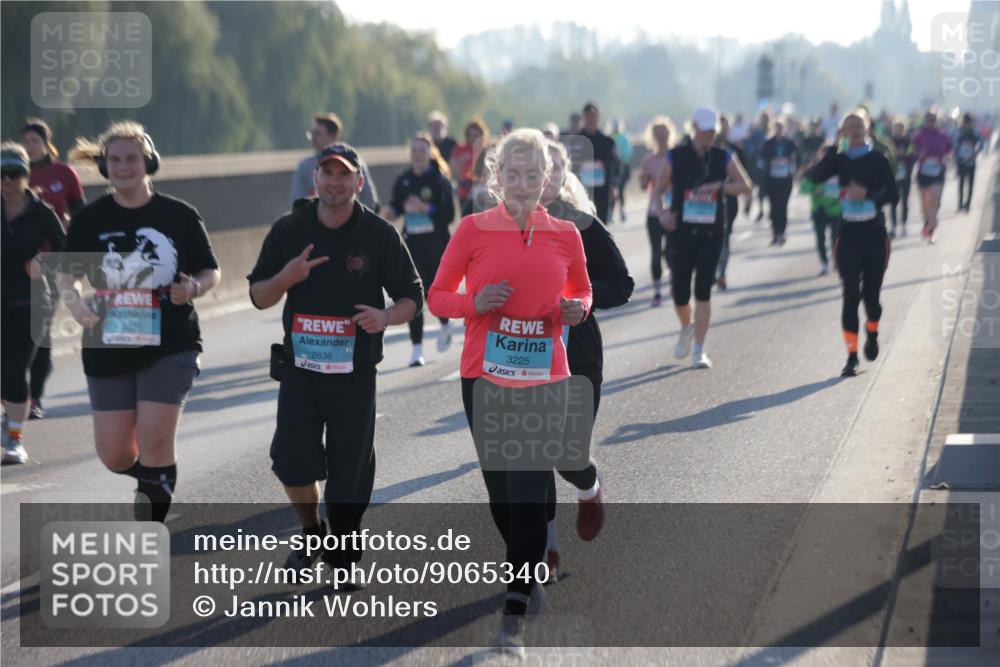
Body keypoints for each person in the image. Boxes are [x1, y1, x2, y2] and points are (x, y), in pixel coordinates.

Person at [428, 129, 595, 656]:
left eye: (532, 175)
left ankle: (514, 613)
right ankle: (525, 568)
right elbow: (438, 296)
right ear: (497, 179)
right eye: (513, 175)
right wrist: (475, 302)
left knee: (526, 496)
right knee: (502, 498)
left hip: (543, 380)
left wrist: (577, 309)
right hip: (483, 378)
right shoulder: (473, 230)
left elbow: (582, 291)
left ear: (547, 180)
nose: (522, 185)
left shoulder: (566, 235)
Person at [248, 143, 422, 575]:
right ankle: (311, 533)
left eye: (344, 175)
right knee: (291, 462)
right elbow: (257, 295)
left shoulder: (378, 234)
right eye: (327, 174)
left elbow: (412, 298)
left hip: (355, 374)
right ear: (315, 180)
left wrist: (384, 316)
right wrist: (287, 277)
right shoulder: (290, 228)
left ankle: (345, 557)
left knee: (349, 472)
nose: (335, 182)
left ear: (359, 182)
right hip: (300, 371)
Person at [57, 122, 221, 521]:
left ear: (148, 161)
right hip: (108, 341)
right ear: (104, 166)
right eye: (115, 160)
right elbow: (66, 275)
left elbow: (209, 271)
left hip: (171, 341)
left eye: (132, 158)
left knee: (155, 438)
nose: (124, 166)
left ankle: (149, 523)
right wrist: (75, 305)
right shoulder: (90, 220)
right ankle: (156, 478)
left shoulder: (179, 215)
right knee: (114, 455)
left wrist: (193, 290)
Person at [541, 139, 633, 583]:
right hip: (521, 358)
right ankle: (547, 550)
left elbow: (622, 282)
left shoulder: (583, 226)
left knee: (566, 455)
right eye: (534, 166)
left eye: (553, 167)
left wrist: (584, 299)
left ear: (563, 174)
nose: (543, 175)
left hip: (577, 356)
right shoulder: (500, 227)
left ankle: (588, 485)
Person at [653, 107, 752, 369]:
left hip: (711, 233)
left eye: (712, 131)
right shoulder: (674, 157)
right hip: (681, 232)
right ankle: (687, 326)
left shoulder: (723, 156)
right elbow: (657, 192)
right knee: (680, 292)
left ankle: (699, 349)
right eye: (705, 130)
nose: (709, 135)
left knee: (703, 291)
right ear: (694, 127)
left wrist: (719, 186)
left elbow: (745, 185)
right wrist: (662, 214)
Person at [806, 109, 898, 377]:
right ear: (843, 132)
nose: (855, 129)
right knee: (849, 297)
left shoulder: (878, 160)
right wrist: (834, 147)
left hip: (874, 235)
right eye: (850, 126)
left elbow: (893, 194)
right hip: (848, 237)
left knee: (871, 299)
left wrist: (868, 194)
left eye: (859, 125)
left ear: (868, 129)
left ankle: (872, 331)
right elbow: (813, 178)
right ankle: (851, 356)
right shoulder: (839, 160)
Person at [2, 143, 65, 464]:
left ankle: (15, 441)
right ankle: (9, 417)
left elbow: (70, 253)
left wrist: (45, 261)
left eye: (15, 173)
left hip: (31, 302)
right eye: (2, 174)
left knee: (13, 370)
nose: (8, 180)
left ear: (27, 175)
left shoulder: (42, 213)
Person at [21, 118, 86, 419]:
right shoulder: (12, 174)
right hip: (14, 263)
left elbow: (80, 215)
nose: (29, 146)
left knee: (41, 329)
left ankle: (34, 398)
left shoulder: (64, 173)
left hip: (52, 261)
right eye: (25, 141)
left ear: (46, 144)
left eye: (34, 141)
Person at [387, 133, 457, 366]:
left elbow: (448, 215)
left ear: (430, 153)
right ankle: (417, 349)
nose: (417, 154)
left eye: (422, 150)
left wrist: (425, 208)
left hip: (436, 244)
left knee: (433, 291)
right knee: (413, 293)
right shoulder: (404, 180)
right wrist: (392, 213)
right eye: (414, 150)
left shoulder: (439, 180)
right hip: (412, 244)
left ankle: (446, 324)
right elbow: (397, 205)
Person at [289, 112, 379, 211]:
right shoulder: (305, 166)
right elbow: (297, 203)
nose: (313, 138)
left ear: (333, 136)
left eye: (318, 133)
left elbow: (369, 199)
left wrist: (358, 222)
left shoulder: (355, 163)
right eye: (311, 134)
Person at [639, 116, 676, 307]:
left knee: (670, 251)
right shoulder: (649, 160)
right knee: (655, 253)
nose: (661, 138)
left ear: (670, 135)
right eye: (658, 134)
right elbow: (644, 185)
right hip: (654, 213)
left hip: (672, 211)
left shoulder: (676, 157)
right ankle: (657, 291)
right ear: (653, 137)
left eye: (664, 134)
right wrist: (643, 180)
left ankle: (672, 279)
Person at [715, 114, 751, 290]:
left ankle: (721, 273)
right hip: (705, 203)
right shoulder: (699, 150)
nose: (722, 130)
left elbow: (746, 179)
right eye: (719, 126)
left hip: (729, 200)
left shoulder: (733, 151)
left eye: (725, 126)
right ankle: (711, 270)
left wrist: (748, 198)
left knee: (724, 236)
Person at [575, 102, 622, 224]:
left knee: (601, 224)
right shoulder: (576, 141)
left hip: (602, 191)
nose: (591, 119)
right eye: (588, 116)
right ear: (584, 117)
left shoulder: (608, 142)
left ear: (598, 117)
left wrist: (614, 185)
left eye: (593, 116)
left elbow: (616, 165)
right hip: (581, 191)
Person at [912, 110, 952, 243]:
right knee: (925, 205)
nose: (931, 122)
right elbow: (912, 152)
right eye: (929, 119)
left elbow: (949, 150)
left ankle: (931, 229)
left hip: (938, 171)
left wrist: (946, 157)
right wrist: (919, 154)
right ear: (925, 121)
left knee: (934, 201)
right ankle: (927, 222)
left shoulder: (943, 135)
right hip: (923, 172)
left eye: (933, 119)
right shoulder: (918, 136)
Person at [760, 117, 801, 246]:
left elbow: (797, 156)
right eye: (777, 128)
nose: (779, 130)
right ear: (774, 129)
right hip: (772, 179)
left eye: (781, 128)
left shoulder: (789, 143)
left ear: (783, 129)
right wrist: (772, 160)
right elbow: (762, 157)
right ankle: (775, 233)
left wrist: (795, 167)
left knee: (783, 206)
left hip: (785, 179)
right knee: (773, 206)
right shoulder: (768, 143)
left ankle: (781, 233)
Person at [450, 117, 489, 210]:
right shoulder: (460, 149)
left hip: (482, 192)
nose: (474, 137)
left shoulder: (486, 150)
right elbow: (452, 168)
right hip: (464, 191)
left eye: (476, 135)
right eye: (471, 135)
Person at [890, 119, 915, 238]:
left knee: (905, 201)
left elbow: (912, 155)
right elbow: (887, 157)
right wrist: (895, 156)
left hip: (906, 175)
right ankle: (894, 226)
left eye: (900, 129)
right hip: (893, 176)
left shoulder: (908, 141)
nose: (898, 131)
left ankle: (904, 224)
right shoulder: (891, 142)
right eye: (896, 129)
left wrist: (904, 155)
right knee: (894, 201)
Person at [955, 113, 983, 212]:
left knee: (970, 184)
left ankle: (968, 205)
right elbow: (955, 146)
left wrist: (975, 154)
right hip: (961, 162)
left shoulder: (975, 132)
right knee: (961, 183)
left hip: (971, 162)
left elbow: (980, 144)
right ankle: (960, 204)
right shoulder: (959, 132)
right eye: (966, 122)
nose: (967, 124)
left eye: (969, 122)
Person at [610, 118, 633, 223]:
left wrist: (622, 160)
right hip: (613, 167)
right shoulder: (609, 138)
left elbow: (628, 153)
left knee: (621, 189)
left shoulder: (624, 138)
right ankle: (611, 212)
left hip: (623, 166)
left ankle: (622, 210)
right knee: (613, 189)